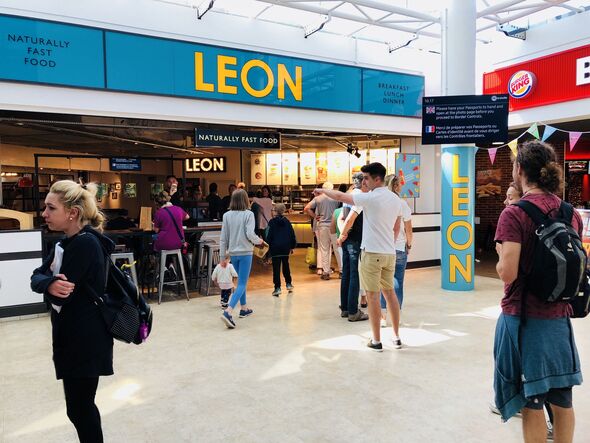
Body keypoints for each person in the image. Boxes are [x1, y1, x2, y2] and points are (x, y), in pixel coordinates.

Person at [494, 140, 583, 442]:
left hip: (524, 320)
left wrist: (499, 255)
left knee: (531, 401)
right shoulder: (570, 212)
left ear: (519, 169)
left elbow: (508, 273)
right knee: (562, 400)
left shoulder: (514, 214)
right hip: (559, 319)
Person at [31, 180, 114, 442]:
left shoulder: (83, 245)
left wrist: (47, 284)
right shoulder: (66, 243)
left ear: (72, 212)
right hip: (76, 337)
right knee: (79, 408)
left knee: (80, 408)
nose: (44, 213)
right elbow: (36, 277)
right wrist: (48, 283)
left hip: (85, 340)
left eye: (51, 208)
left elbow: (61, 296)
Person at [314, 163, 401, 351]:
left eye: (367, 178)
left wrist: (322, 190)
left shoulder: (370, 197)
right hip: (389, 253)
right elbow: (396, 228)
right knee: (390, 294)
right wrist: (389, 244)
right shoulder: (395, 199)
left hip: (372, 253)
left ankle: (376, 340)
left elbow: (340, 196)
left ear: (377, 179)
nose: (364, 182)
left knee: (373, 296)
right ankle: (396, 337)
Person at [219, 189, 265, 328]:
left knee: (240, 282)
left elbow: (223, 238)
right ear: (246, 200)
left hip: (233, 253)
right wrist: (259, 241)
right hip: (245, 252)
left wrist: (222, 256)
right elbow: (250, 234)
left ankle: (244, 308)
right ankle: (228, 311)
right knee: (242, 284)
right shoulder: (249, 214)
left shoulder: (226, 215)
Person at [380, 174, 413, 327]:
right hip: (399, 248)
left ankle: (382, 317)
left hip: (383, 247)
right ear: (395, 186)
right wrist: (409, 245)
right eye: (400, 184)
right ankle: (396, 316)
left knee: (383, 282)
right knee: (398, 281)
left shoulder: (381, 203)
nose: (401, 186)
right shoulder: (402, 204)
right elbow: (408, 229)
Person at [337, 173, 368, 322]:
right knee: (354, 274)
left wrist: (342, 235)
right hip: (355, 239)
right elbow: (350, 219)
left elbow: (342, 218)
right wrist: (344, 234)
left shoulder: (348, 196)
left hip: (347, 240)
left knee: (347, 273)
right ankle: (353, 311)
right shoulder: (360, 197)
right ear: (363, 182)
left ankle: (345, 308)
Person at [306, 182, 340, 280]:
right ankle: (342, 271)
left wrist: (315, 216)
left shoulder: (318, 199)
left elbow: (307, 208)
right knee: (337, 249)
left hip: (322, 226)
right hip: (334, 225)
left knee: (324, 249)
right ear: (332, 189)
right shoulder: (336, 198)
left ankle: (326, 272)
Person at [266, 203, 296, 297]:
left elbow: (268, 235)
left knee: (276, 268)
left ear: (275, 211)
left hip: (275, 248)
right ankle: (288, 283)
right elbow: (292, 234)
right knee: (286, 265)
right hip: (285, 247)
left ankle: (277, 288)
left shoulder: (271, 222)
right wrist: (292, 246)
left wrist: (268, 246)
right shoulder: (287, 222)